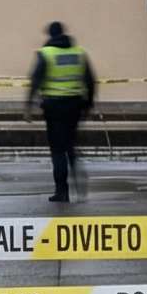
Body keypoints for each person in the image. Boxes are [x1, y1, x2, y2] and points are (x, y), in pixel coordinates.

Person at [27, 21, 94, 204]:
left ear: (50, 35)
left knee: (57, 150)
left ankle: (62, 191)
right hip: (74, 107)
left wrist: (28, 106)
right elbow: (90, 81)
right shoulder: (79, 53)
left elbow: (35, 80)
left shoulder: (46, 54)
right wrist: (88, 105)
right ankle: (80, 185)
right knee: (71, 146)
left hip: (53, 108)